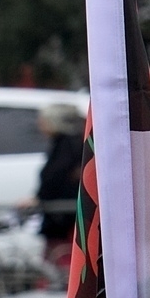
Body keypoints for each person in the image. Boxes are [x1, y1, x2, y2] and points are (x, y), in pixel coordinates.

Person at [35, 103, 85, 266]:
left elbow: (55, 176)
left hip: (62, 217)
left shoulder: (66, 145)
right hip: (62, 215)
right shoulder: (66, 144)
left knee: (62, 261)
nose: (39, 124)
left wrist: (39, 197)